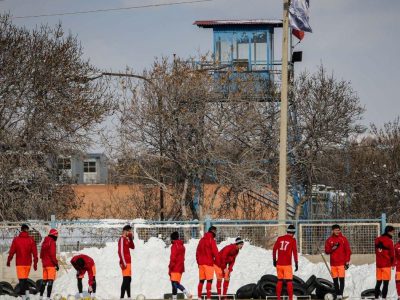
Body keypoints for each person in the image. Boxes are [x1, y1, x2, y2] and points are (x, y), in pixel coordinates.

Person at [7, 224, 38, 298]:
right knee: (25, 280)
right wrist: (35, 263)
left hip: (20, 263)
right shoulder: (31, 240)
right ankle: (26, 296)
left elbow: (12, 251)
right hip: (28, 264)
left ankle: (25, 297)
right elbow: (35, 252)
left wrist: (9, 260)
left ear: (21, 230)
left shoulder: (16, 240)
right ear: (27, 230)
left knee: (22, 281)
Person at [324, 224, 352, 299]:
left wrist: (347, 262)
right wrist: (333, 248)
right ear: (332, 231)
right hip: (333, 264)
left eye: (338, 230)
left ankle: (340, 295)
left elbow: (348, 251)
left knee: (341, 280)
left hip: (341, 264)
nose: (337, 231)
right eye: (336, 230)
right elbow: (327, 251)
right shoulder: (329, 240)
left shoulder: (343, 239)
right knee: (335, 281)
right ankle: (338, 295)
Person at [272, 225, 298, 300]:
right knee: (289, 282)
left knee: (280, 281)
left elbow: (274, 249)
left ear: (287, 231)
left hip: (279, 264)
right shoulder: (293, 240)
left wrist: (274, 260)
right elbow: (295, 252)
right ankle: (290, 298)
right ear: (293, 232)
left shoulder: (280, 238)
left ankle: (278, 298)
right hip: (287, 265)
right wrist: (296, 263)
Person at [196, 226, 219, 300]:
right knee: (209, 281)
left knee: (201, 281)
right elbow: (215, 252)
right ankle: (208, 298)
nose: (216, 233)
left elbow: (197, 252)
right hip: (209, 263)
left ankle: (199, 297)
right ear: (213, 231)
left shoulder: (201, 240)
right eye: (215, 231)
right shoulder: (211, 240)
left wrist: (198, 262)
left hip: (201, 264)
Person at [168, 231, 192, 300]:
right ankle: (174, 298)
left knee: (175, 284)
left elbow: (173, 258)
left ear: (172, 239)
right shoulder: (182, 246)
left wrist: (170, 267)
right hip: (180, 267)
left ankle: (187, 293)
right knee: (174, 283)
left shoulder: (174, 246)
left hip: (175, 267)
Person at [375, 225, 395, 300]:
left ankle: (376, 297)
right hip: (386, 264)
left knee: (378, 282)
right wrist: (393, 263)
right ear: (388, 231)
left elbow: (376, 252)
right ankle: (384, 298)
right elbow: (392, 254)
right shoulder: (389, 241)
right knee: (385, 283)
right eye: (392, 231)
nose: (393, 233)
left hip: (379, 264)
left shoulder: (377, 239)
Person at [40, 229, 59, 299]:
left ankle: (40, 296)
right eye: (56, 235)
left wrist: (44, 261)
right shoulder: (52, 242)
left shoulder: (44, 241)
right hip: (50, 265)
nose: (57, 237)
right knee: (50, 281)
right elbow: (52, 255)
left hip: (44, 265)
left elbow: (41, 255)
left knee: (44, 281)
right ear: (54, 235)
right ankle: (48, 298)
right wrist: (56, 264)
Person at [118, 224, 135, 299]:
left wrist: (131, 239)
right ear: (125, 231)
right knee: (125, 280)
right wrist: (123, 262)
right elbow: (120, 252)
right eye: (129, 231)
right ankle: (121, 297)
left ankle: (129, 297)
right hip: (125, 262)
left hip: (129, 262)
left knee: (128, 279)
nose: (130, 232)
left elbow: (133, 247)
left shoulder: (127, 239)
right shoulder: (121, 239)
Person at [395, 232, 400, 300]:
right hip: (399, 268)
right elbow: (394, 256)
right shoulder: (396, 246)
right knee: (398, 281)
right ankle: (399, 295)